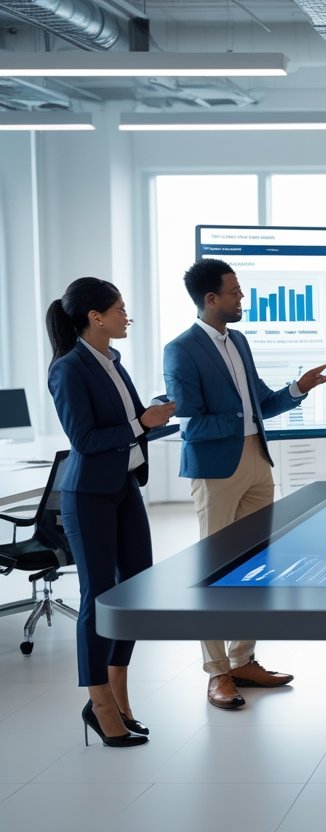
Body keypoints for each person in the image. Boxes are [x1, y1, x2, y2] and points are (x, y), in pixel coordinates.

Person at [164, 258, 326, 710]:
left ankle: (243, 660)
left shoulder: (239, 341)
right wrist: (243, 414)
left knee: (253, 569)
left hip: (258, 460)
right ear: (210, 299)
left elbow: (259, 400)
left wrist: (297, 389)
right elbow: (191, 418)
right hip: (216, 468)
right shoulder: (180, 349)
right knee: (214, 572)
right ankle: (217, 672)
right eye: (235, 292)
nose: (243, 299)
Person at [46, 277, 176, 747]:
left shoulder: (113, 362)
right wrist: (140, 422)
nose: (127, 316)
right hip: (90, 496)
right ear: (95, 317)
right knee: (98, 596)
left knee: (136, 593)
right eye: (120, 309)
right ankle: (99, 702)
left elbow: (128, 429)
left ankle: (118, 690)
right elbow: (85, 440)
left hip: (123, 487)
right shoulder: (68, 369)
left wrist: (158, 418)